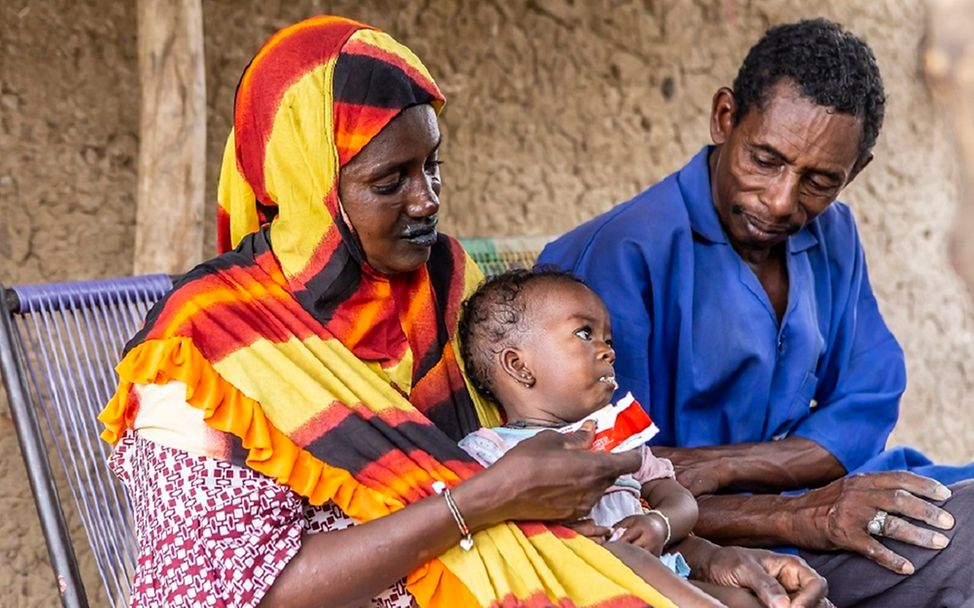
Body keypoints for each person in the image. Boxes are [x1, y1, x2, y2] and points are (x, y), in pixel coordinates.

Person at [97, 15, 829, 608]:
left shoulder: (453, 288)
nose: (427, 200)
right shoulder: (210, 347)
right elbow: (225, 591)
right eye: (390, 180)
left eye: (433, 165)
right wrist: (481, 502)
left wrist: (704, 555)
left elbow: (576, 477)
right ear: (308, 181)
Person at [538, 17, 974, 607]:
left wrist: (722, 464)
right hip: (707, 543)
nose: (781, 201)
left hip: (830, 508)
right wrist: (799, 515)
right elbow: (612, 489)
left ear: (857, 173)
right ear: (724, 118)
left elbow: (867, 403)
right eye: (765, 159)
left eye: (821, 181)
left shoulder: (833, 233)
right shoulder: (614, 260)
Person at [458, 268, 779, 608]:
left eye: (607, 340)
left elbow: (680, 499)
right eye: (585, 334)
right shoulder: (489, 452)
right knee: (628, 559)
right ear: (519, 366)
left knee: (759, 601)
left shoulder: (619, 433)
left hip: (664, 578)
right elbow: (487, 533)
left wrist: (660, 524)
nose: (608, 351)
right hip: (580, 588)